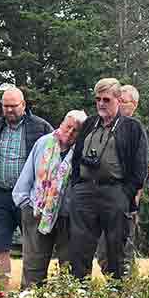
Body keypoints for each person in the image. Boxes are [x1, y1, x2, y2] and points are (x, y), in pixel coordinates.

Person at [66, 77, 149, 280]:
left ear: (118, 100)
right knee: (79, 250)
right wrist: (77, 187)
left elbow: (140, 167)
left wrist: (125, 193)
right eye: (98, 100)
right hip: (85, 192)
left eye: (106, 99)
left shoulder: (131, 127)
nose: (101, 104)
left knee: (116, 251)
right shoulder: (88, 124)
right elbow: (76, 158)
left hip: (115, 192)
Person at [0, 87, 53, 286]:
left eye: (13, 106)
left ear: (24, 105)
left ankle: (32, 291)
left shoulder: (41, 127)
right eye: (5, 106)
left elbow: (53, 157)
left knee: (33, 246)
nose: (9, 110)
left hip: (28, 197)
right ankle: (3, 293)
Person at [13, 110, 87, 287]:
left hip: (68, 217)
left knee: (69, 267)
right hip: (36, 211)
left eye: (75, 130)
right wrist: (26, 204)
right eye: (68, 127)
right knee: (33, 266)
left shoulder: (82, 150)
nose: (69, 133)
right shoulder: (44, 142)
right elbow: (28, 174)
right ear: (61, 123)